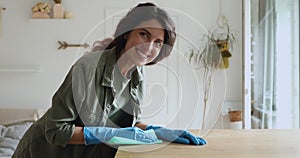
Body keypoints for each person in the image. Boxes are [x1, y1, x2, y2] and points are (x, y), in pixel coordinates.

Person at [13, 2, 206, 158]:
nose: (149, 48)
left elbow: (128, 125)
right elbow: (56, 130)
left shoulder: (138, 75)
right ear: (127, 32)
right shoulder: (87, 68)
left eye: (158, 42)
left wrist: (159, 132)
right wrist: (111, 134)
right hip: (42, 152)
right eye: (144, 34)